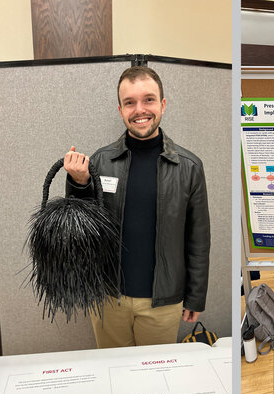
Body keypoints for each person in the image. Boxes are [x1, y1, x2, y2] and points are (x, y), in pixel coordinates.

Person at [63, 66, 211, 348]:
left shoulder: (189, 167)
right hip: (108, 298)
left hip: (163, 303)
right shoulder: (100, 162)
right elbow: (80, 228)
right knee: (113, 378)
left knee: (155, 381)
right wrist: (80, 183)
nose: (139, 109)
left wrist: (196, 296)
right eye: (130, 102)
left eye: (149, 99)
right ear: (120, 110)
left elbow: (198, 240)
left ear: (163, 105)